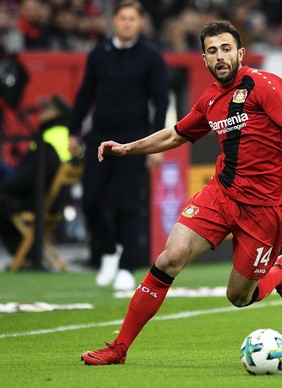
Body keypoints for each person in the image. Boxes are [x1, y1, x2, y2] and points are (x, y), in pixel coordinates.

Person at [80, 20, 282, 366]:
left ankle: (280, 271)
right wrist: (127, 148)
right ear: (203, 59)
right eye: (211, 51)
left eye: (225, 49)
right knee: (168, 259)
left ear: (240, 53)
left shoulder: (264, 85)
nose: (219, 57)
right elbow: (175, 135)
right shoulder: (210, 99)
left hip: (264, 209)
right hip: (221, 195)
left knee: (238, 296)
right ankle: (118, 348)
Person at [68, 0, 170, 291]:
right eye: (123, 18)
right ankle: (110, 249)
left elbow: (160, 101)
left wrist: (155, 144)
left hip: (134, 138)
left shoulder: (151, 57)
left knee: (128, 203)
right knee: (89, 201)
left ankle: (126, 265)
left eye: (132, 19)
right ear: (114, 21)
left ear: (140, 23)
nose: (127, 23)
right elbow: (85, 94)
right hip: (99, 136)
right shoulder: (98, 54)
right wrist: (73, 131)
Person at [0, 95, 72, 256]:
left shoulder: (49, 137)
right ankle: (24, 250)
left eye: (47, 109)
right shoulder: (65, 133)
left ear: (57, 113)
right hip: (54, 196)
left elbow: (30, 175)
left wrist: (6, 186)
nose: (41, 112)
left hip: (41, 197)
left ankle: (22, 251)